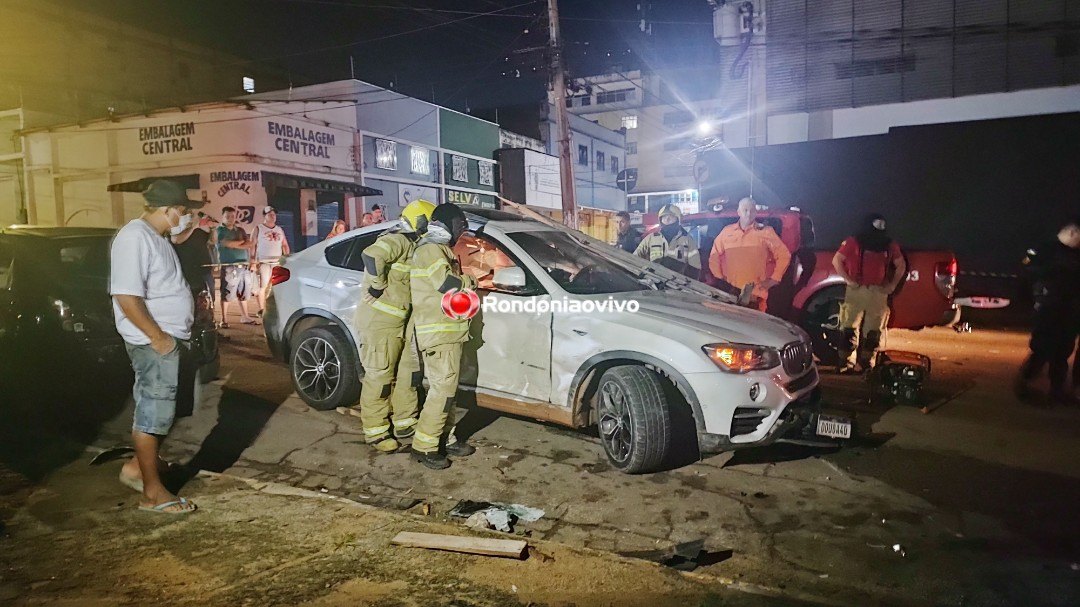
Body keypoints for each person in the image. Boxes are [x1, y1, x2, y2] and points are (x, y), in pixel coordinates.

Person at [109, 180, 203, 514]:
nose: (187, 216)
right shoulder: (134, 237)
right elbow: (126, 295)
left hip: (171, 340)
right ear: (168, 209)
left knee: (168, 410)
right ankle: (152, 494)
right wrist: (158, 338)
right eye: (184, 211)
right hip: (155, 343)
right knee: (153, 414)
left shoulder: (157, 238)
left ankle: (140, 466)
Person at [354, 200, 437, 453]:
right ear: (420, 222)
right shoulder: (398, 239)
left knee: (407, 375)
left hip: (402, 323)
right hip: (380, 324)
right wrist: (377, 285)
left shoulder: (415, 247)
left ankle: (405, 423)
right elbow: (371, 255)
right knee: (380, 378)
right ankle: (376, 432)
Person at [409, 203, 477, 470]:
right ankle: (424, 447)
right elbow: (445, 284)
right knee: (441, 392)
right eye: (460, 226)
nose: (462, 232)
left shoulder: (439, 249)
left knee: (448, 392)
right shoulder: (430, 250)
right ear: (447, 223)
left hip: (448, 332)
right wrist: (471, 282)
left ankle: (445, 439)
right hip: (439, 333)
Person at [1015, 216, 1080, 405]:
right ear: (1072, 232)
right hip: (1048, 307)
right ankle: (1024, 382)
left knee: (1062, 351)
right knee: (1042, 348)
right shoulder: (1046, 250)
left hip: (1069, 310)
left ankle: (1057, 391)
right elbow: (1027, 272)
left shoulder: (1075, 254)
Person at [832, 212, 906, 373]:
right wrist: (848, 280)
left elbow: (901, 265)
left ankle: (865, 363)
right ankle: (845, 361)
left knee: (873, 331)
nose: (880, 228)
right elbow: (837, 260)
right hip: (857, 290)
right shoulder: (853, 242)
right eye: (877, 224)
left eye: (882, 225)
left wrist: (892, 285)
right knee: (848, 328)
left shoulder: (889, 245)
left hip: (878, 292)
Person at [708, 197, 791, 311]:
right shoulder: (727, 232)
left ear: (756, 213)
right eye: (745, 210)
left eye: (752, 210)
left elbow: (784, 255)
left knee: (753, 322)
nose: (748, 213)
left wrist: (774, 280)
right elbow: (714, 256)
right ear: (738, 212)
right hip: (729, 293)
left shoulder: (765, 232)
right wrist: (720, 279)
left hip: (754, 295)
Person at [216, 206, 257, 327]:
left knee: (243, 292)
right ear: (222, 217)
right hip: (229, 266)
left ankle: (245, 316)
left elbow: (250, 244)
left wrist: (235, 245)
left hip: (243, 265)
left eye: (232, 216)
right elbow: (225, 243)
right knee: (227, 293)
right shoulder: (219, 231)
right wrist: (240, 243)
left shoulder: (240, 230)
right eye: (227, 216)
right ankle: (224, 320)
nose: (230, 218)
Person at [634, 204, 700, 277]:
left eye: (671, 216)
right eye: (664, 217)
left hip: (677, 282)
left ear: (678, 219)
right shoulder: (651, 238)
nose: (667, 219)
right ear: (660, 220)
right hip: (654, 280)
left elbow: (695, 267)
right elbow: (635, 259)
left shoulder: (687, 240)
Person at [251, 206, 290, 314]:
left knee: (276, 286)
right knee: (263, 285)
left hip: (277, 262)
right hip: (263, 262)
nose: (273, 216)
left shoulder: (279, 229)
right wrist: (252, 261)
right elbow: (252, 245)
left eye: (274, 214)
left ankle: (275, 308)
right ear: (264, 216)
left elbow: (285, 245)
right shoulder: (258, 228)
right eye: (270, 214)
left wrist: (287, 258)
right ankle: (262, 309)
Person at [171, 212, 216, 300]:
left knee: (209, 298)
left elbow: (212, 241)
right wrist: (193, 227)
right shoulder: (177, 231)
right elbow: (177, 240)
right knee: (191, 298)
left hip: (205, 270)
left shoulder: (200, 231)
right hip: (188, 272)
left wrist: (213, 228)